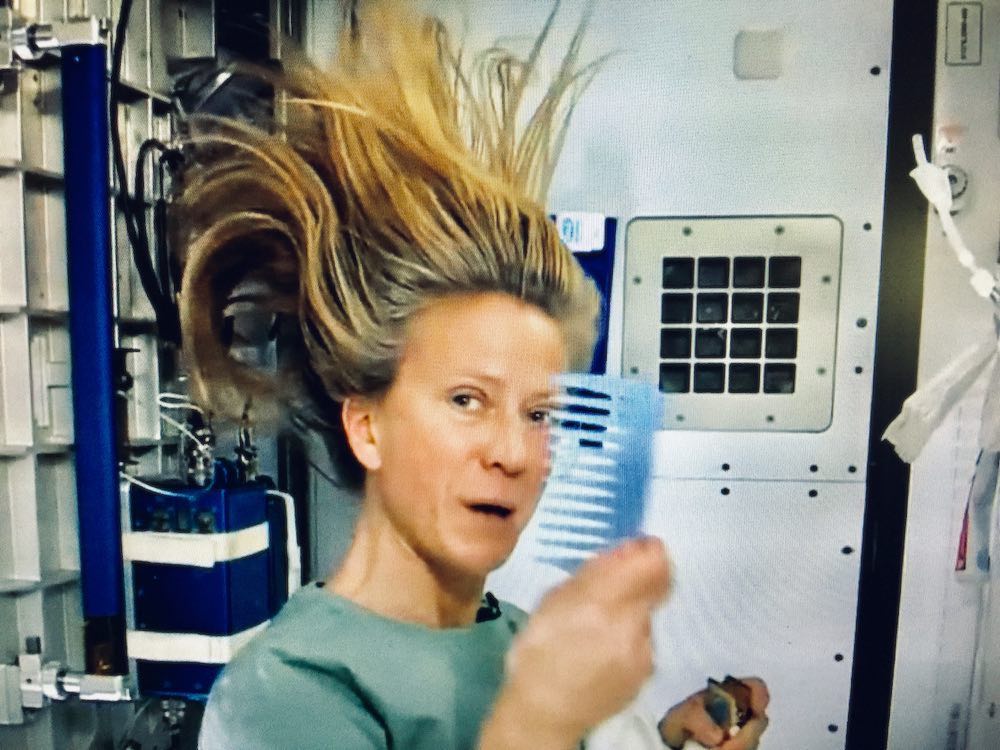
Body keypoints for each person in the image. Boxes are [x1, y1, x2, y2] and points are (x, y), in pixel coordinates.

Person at [175, 2, 769, 748]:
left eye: (539, 414)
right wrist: (542, 715)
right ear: (368, 426)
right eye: (467, 400)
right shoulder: (284, 697)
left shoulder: (522, 644)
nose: (514, 454)